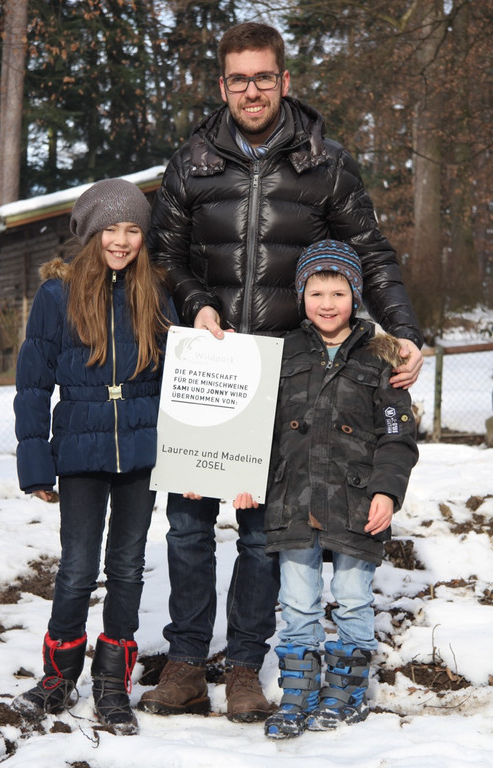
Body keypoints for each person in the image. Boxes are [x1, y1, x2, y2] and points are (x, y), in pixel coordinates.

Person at [138, 21, 423, 723]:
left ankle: (244, 666)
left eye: (263, 77)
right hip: (209, 367)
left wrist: (405, 331)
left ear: (284, 80)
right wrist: (197, 303)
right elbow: (163, 254)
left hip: (287, 371)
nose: (252, 90)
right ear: (222, 85)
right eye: (239, 79)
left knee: (263, 532)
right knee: (188, 525)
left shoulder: (325, 164)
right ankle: (184, 661)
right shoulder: (191, 162)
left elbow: (371, 253)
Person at [235, 239, 419, 738]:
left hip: (356, 502)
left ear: (355, 295)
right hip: (292, 501)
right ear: (301, 296)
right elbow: (259, 426)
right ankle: (299, 692)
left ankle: (347, 690)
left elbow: (397, 435)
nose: (328, 303)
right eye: (316, 292)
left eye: (339, 292)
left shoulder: (383, 356)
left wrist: (386, 492)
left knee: (353, 596)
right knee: (298, 600)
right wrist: (246, 477)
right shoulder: (282, 353)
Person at [12, 178, 176, 735]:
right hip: (79, 449)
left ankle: (111, 681)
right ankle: (58, 676)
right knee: (78, 567)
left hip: (141, 450)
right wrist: (36, 462)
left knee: (127, 566)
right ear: (90, 233)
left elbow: (181, 376)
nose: (121, 240)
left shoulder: (155, 292)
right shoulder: (56, 296)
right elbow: (33, 384)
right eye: (111, 229)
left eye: (132, 229)